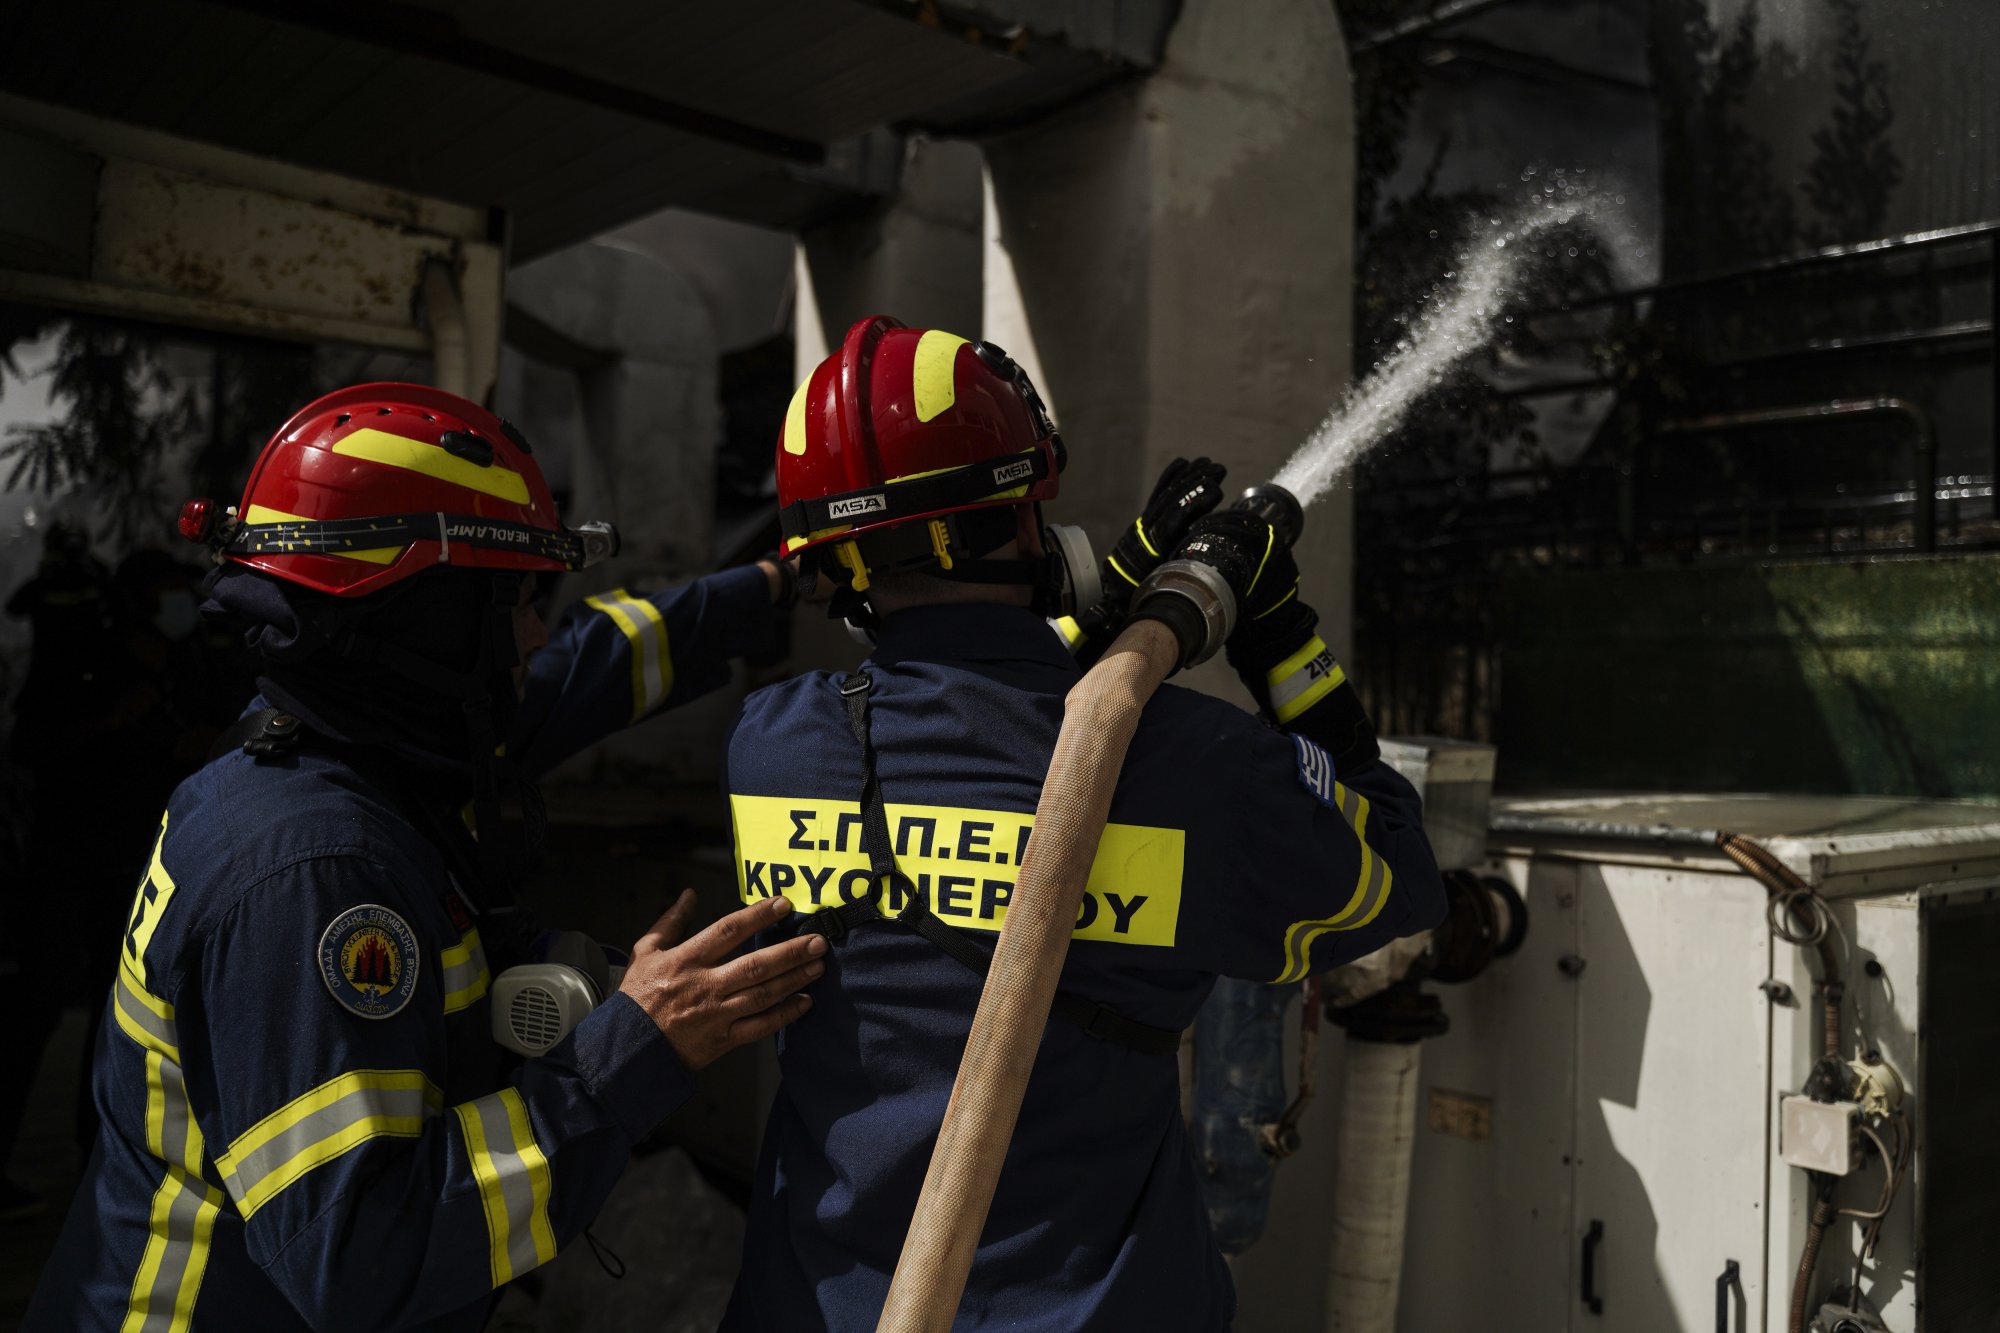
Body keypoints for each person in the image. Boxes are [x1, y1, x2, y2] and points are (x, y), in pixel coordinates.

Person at [24, 383, 826, 1330]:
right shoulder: (313, 870)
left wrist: (771, 583)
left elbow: (588, 669)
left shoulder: (337, 743)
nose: (537, 632)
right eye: (517, 601)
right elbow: (363, 1254)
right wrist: (625, 1058)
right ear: (428, 616)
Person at [718, 316, 1447, 1330]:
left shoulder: (773, 747)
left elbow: (971, 717)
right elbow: (1400, 874)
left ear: (836, 562)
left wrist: (1106, 604)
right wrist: (1279, 637)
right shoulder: (1195, 763)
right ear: (1028, 526)